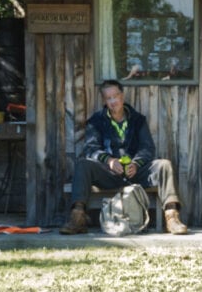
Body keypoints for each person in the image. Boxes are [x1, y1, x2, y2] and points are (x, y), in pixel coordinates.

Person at [60, 79, 188, 235]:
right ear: (104, 100)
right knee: (83, 164)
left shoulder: (137, 119)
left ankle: (172, 216)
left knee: (164, 165)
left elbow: (147, 148)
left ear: (122, 96)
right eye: (109, 98)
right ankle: (77, 218)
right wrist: (109, 160)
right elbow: (90, 148)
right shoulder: (96, 121)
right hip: (109, 174)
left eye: (115, 96)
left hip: (135, 172)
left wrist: (136, 164)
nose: (113, 101)